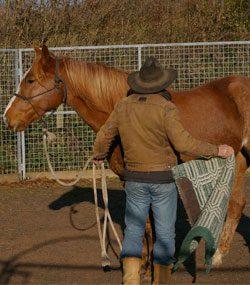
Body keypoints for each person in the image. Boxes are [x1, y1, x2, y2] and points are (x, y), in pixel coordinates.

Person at [92, 57, 234, 285]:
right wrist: (217, 149)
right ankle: (160, 281)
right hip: (163, 180)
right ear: (161, 84)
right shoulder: (167, 108)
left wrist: (99, 155)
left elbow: (104, 135)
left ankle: (130, 280)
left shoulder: (123, 105)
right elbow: (185, 144)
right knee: (166, 234)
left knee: (134, 230)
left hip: (134, 180)